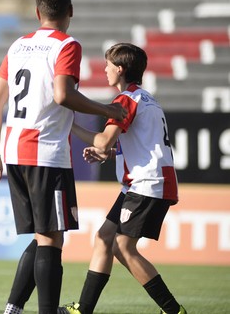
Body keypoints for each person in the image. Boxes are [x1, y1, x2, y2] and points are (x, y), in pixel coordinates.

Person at [0, 0, 128, 314]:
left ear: (37, 12)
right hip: (44, 152)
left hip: (14, 150)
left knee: (43, 235)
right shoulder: (67, 45)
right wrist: (106, 109)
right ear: (70, 11)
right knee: (51, 239)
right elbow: (63, 94)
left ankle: (13, 308)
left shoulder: (18, 45)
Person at [58, 43, 185, 314]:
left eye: (107, 65)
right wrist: (110, 152)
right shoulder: (145, 97)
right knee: (104, 237)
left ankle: (173, 310)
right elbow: (137, 144)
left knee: (122, 247)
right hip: (143, 183)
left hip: (147, 184)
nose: (104, 70)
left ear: (120, 69)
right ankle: (84, 309)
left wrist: (69, 125)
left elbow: (103, 141)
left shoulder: (125, 99)